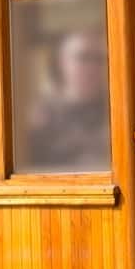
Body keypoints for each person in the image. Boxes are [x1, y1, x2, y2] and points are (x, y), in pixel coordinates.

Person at [17, 25, 111, 174]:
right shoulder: (39, 117)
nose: (92, 67)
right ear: (61, 62)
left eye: (99, 59)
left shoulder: (116, 110)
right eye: (83, 58)